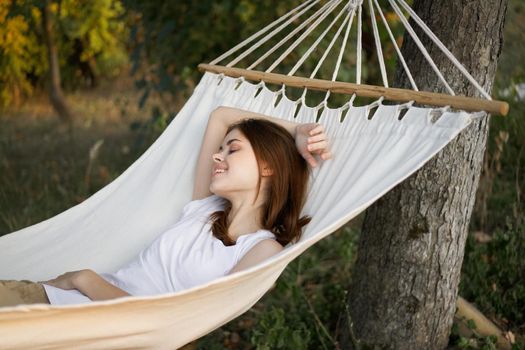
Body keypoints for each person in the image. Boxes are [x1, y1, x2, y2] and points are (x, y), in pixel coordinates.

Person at [0, 106, 332, 308]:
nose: (217, 155)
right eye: (221, 149)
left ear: (268, 166)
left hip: (81, 320)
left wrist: (84, 280)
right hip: (50, 302)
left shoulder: (261, 250)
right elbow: (220, 117)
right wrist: (295, 130)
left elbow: (180, 318)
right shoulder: (205, 209)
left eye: (232, 149)